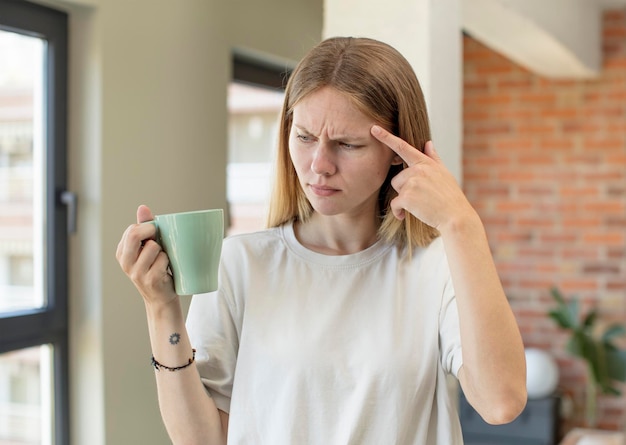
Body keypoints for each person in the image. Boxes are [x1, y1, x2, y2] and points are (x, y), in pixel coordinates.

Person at [116, 36, 527, 444]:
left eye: (348, 144)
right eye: (306, 137)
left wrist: (462, 223)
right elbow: (202, 440)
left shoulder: (437, 266)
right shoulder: (239, 264)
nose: (319, 166)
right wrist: (161, 309)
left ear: (398, 151)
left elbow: (500, 403)